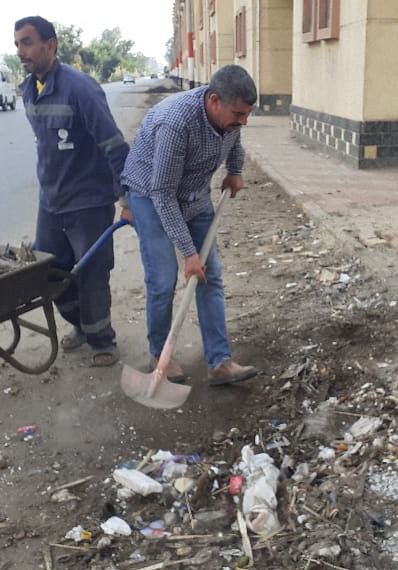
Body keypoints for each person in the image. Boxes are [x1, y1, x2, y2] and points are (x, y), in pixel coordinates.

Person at [121, 64, 260, 386]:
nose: (244, 121)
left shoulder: (230, 120)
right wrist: (188, 253)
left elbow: (234, 141)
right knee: (163, 279)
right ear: (214, 101)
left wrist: (235, 171)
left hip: (195, 195)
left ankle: (220, 362)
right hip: (150, 196)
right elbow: (163, 193)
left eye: (247, 114)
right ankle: (161, 355)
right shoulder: (176, 122)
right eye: (239, 113)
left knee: (209, 277)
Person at [14, 16, 130, 366]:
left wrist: (127, 197)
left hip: (88, 202)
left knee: (92, 272)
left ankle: (102, 341)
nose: (21, 51)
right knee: (49, 272)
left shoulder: (81, 88)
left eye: (28, 42)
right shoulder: (27, 89)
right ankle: (81, 325)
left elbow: (113, 144)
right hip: (51, 201)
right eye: (18, 43)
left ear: (51, 45)